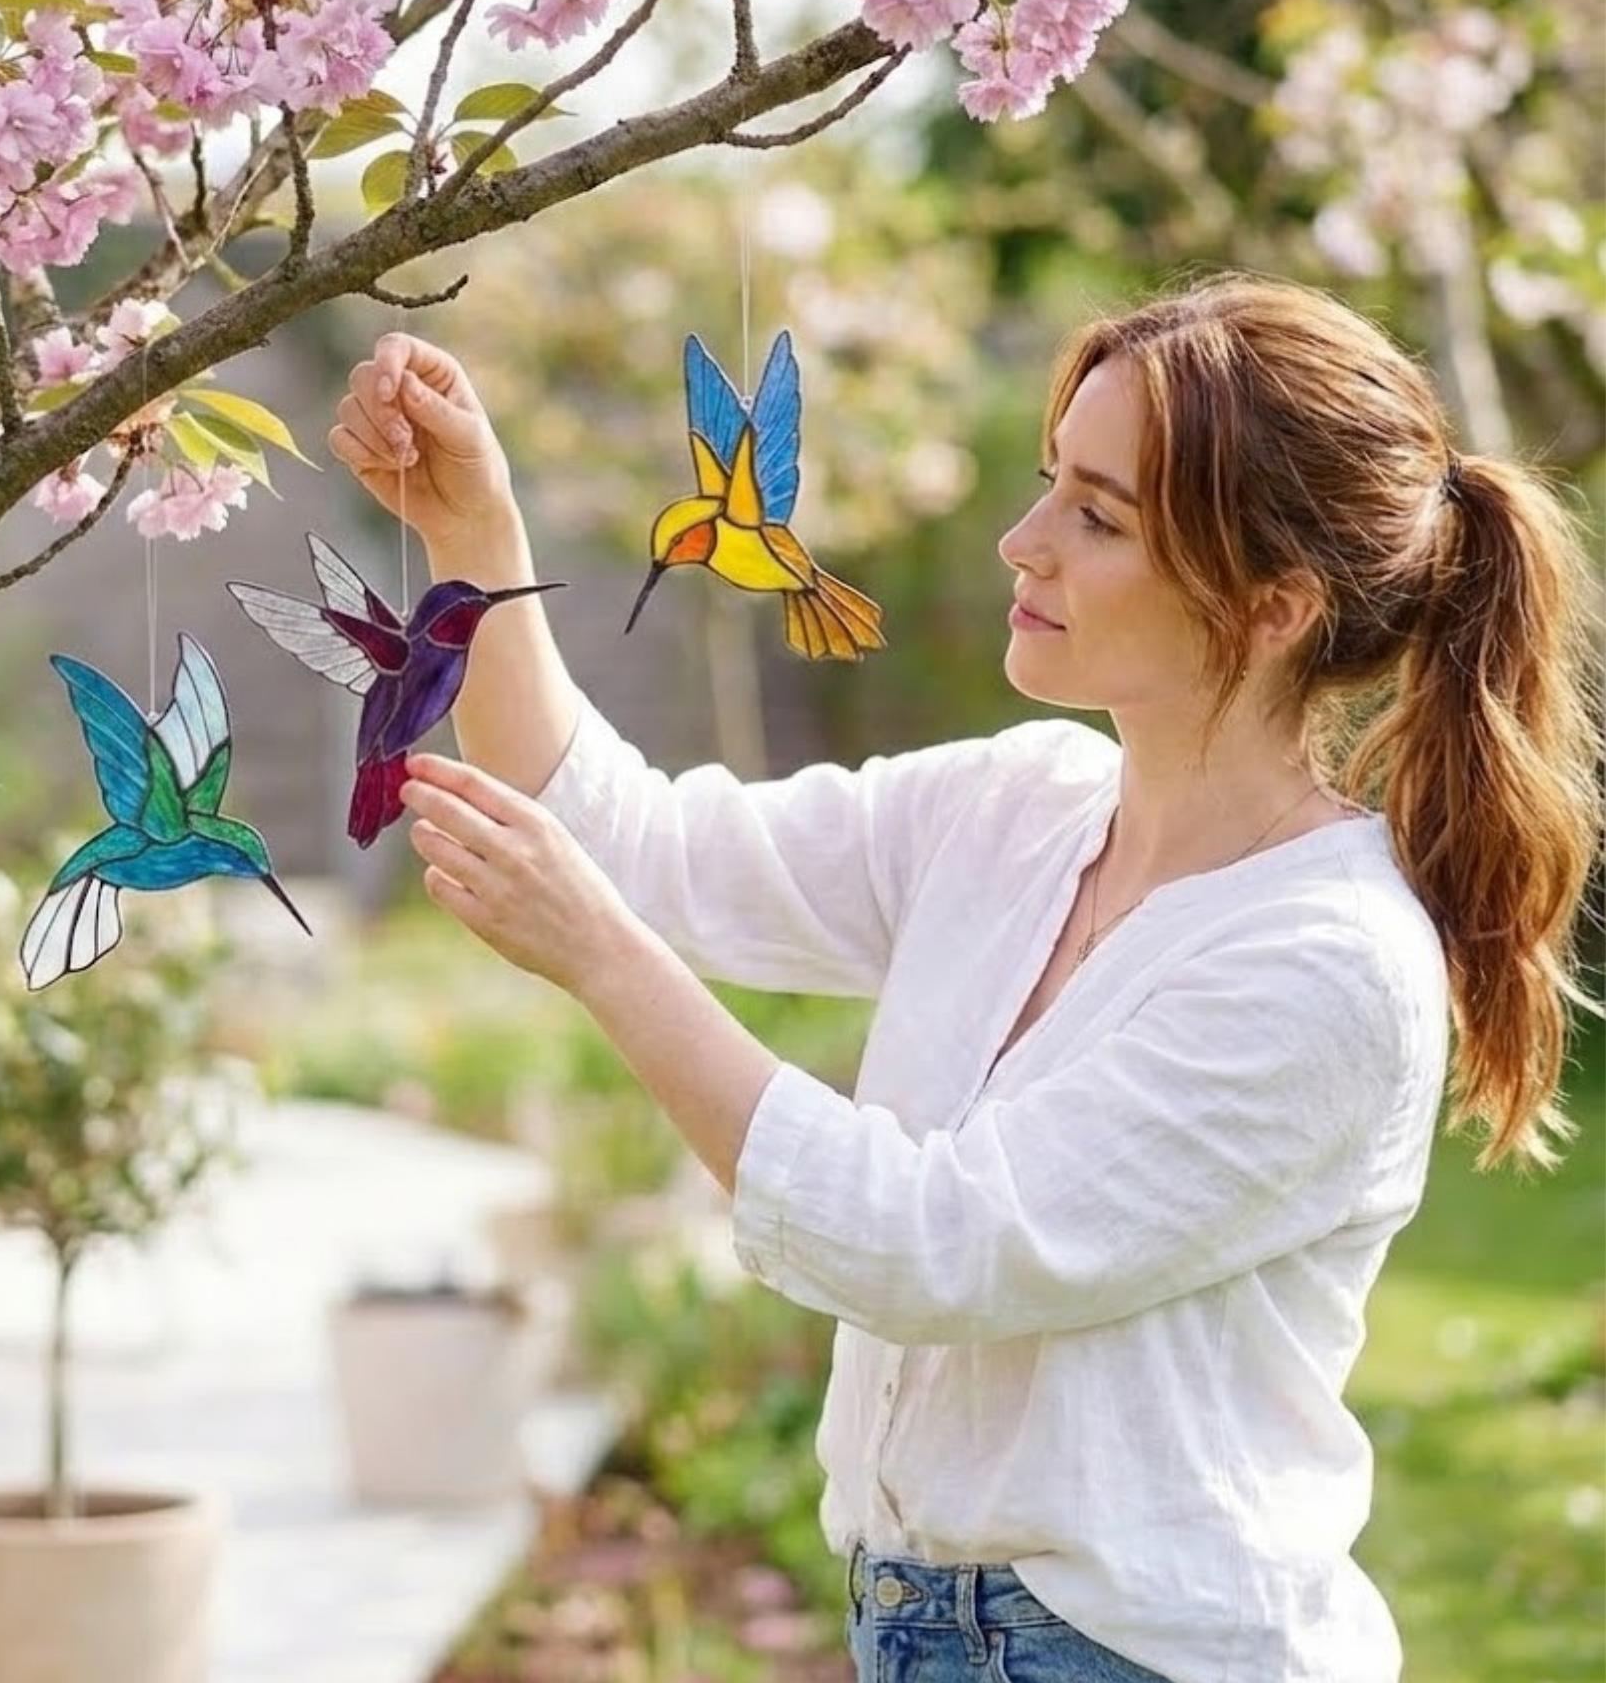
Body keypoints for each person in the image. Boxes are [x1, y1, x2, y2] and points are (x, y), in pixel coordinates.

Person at [323, 272, 1603, 1683]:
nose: (1020, 541)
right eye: (1052, 483)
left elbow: (931, 1247)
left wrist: (603, 963)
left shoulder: (1328, 965)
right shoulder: (1017, 807)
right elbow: (639, 850)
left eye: (1097, 517)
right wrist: (475, 530)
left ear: (1273, 605)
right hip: (924, 1626)